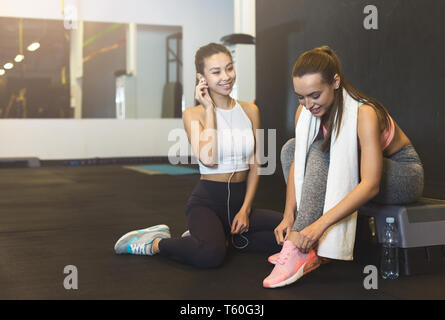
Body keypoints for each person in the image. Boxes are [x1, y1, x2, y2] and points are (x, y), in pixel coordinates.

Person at [262, 46, 424, 288]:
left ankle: (299, 248)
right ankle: (306, 245)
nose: (308, 105)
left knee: (321, 150)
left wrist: (318, 226)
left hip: (404, 174)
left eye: (315, 95)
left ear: (335, 82)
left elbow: (370, 185)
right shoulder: (304, 113)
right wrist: (288, 215)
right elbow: (298, 163)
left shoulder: (364, 113)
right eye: (301, 97)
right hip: (360, 172)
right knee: (290, 148)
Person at [114, 43, 283, 268]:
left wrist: (245, 210)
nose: (226, 77)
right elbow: (209, 158)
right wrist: (210, 109)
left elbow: (255, 164)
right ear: (201, 78)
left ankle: (220, 238)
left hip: (240, 204)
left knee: (291, 233)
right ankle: (154, 243)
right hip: (207, 203)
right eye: (216, 72)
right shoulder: (193, 114)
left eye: (229, 68)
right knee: (210, 256)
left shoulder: (250, 111)